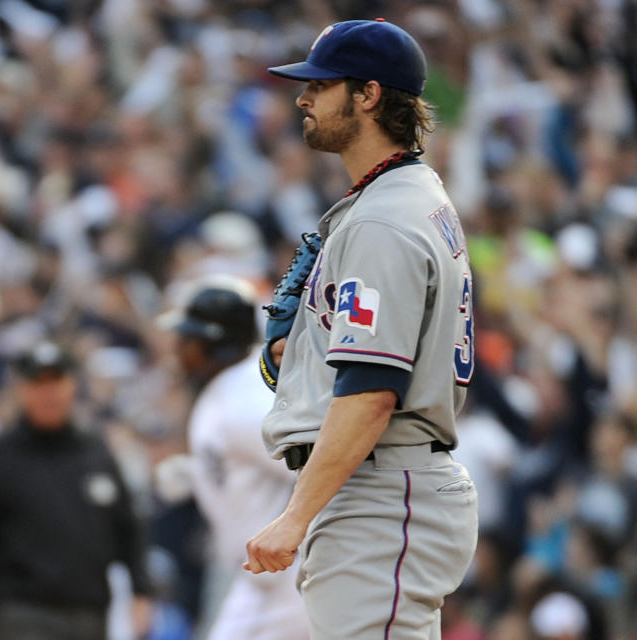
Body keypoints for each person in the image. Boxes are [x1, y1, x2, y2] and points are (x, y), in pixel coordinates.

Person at [243, 19, 480, 639]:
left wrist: (295, 516)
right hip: (385, 487)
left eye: (321, 85)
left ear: (368, 95)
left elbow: (373, 388)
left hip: (382, 491)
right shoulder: (403, 196)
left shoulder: (382, 221)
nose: (304, 98)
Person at [0, 340, 152, 640]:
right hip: (22, 611)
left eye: (57, 381)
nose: (49, 393)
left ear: (72, 385)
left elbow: (129, 526)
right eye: (38, 383)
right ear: (21, 389)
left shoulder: (96, 453)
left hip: (90, 612)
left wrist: (141, 592)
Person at [159, 279, 309, 640]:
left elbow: (317, 467)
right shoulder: (234, 386)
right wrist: (199, 474)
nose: (177, 349)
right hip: (262, 577)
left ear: (215, 343)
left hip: (288, 578)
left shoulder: (245, 403)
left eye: (187, 340)